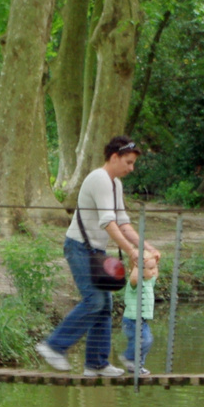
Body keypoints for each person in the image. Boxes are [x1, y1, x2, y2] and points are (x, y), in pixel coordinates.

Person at [36, 136, 159, 377]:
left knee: (105, 306)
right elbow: (108, 223)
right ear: (114, 157)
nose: (131, 168)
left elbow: (123, 223)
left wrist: (147, 246)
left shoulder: (115, 184)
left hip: (96, 252)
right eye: (129, 162)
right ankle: (53, 346)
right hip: (79, 247)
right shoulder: (99, 179)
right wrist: (133, 252)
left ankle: (96, 363)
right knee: (94, 301)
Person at [121, 249, 158, 375]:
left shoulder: (149, 282)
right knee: (144, 340)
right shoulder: (135, 283)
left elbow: (155, 274)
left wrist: (155, 260)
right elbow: (135, 277)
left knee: (146, 341)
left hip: (141, 320)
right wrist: (137, 265)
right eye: (150, 268)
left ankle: (136, 366)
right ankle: (129, 358)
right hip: (132, 320)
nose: (153, 271)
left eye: (154, 268)